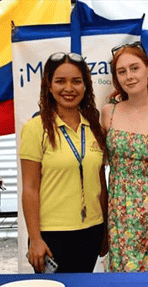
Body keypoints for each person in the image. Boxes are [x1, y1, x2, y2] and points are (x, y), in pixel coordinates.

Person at [20, 52, 108, 273]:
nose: (69, 88)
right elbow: (30, 188)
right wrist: (35, 239)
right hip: (52, 235)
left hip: (91, 231)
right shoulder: (35, 128)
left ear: (86, 87)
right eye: (60, 81)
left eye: (76, 81)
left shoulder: (94, 127)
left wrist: (105, 229)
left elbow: (100, 182)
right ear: (49, 86)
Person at [101, 41, 148, 272]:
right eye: (121, 71)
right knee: (118, 282)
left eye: (134, 68)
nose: (129, 76)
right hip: (116, 216)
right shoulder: (108, 113)